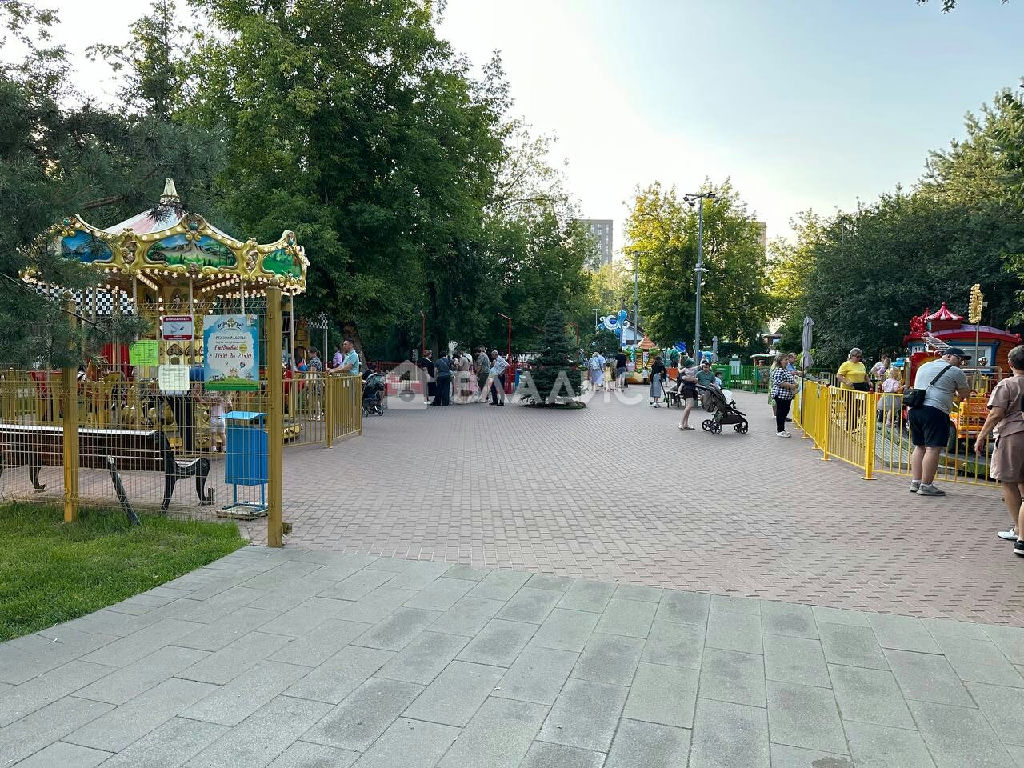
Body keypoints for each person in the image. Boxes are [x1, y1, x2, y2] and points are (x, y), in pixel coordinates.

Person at [974, 344, 1024, 553]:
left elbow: (996, 413)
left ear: (1010, 363)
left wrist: (981, 436)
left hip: (1013, 435)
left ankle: (1019, 530)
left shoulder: (1008, 384)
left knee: (1009, 482)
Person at [908, 348, 971, 496]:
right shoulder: (955, 371)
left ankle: (915, 482)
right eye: (959, 358)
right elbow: (964, 394)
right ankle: (926, 485)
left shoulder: (924, 366)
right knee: (933, 449)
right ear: (948, 356)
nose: (961, 362)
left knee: (919, 446)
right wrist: (966, 384)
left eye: (963, 360)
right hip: (935, 410)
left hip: (915, 409)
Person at [771, 352, 799, 437]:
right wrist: (791, 386)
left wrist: (794, 384)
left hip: (786, 396)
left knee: (785, 411)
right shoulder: (779, 370)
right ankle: (780, 430)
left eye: (787, 359)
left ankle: (782, 430)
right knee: (781, 412)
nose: (787, 361)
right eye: (785, 360)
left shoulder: (785, 370)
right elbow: (779, 382)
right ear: (780, 361)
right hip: (781, 395)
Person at [677, 357, 699, 430]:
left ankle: (685, 424)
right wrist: (694, 379)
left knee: (688, 407)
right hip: (687, 389)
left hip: (691, 388)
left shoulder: (690, 369)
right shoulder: (684, 370)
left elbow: (694, 380)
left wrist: (694, 379)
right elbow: (685, 378)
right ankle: (681, 423)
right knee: (689, 406)